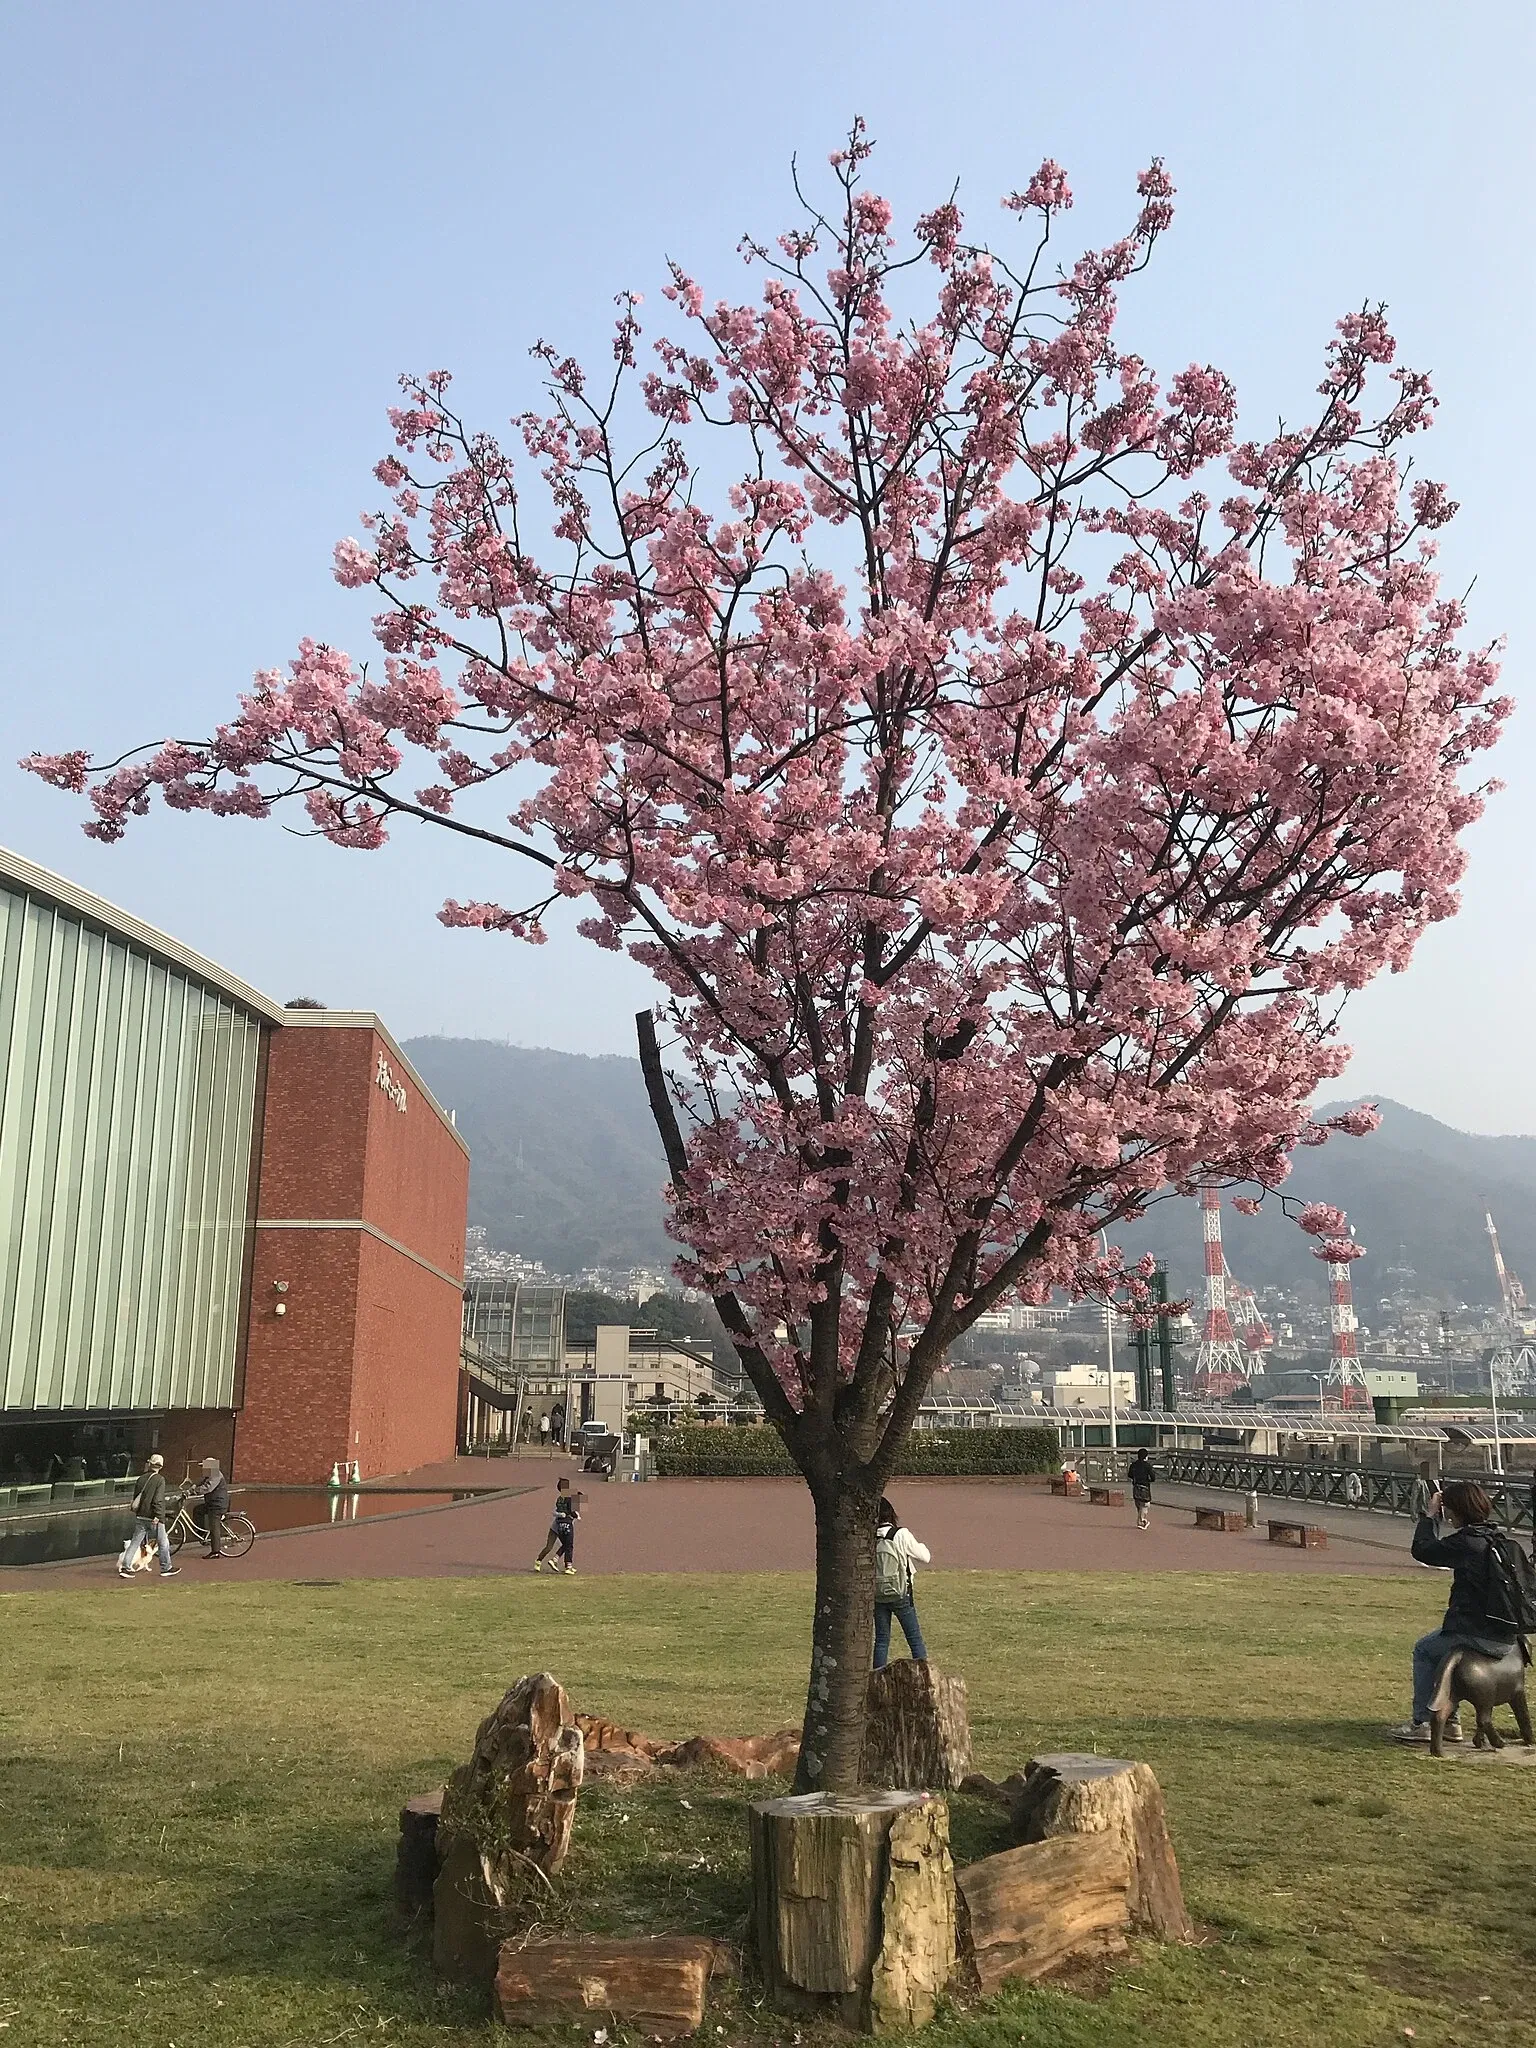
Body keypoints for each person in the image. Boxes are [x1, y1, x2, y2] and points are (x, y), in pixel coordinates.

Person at [1393, 1478, 1519, 1744]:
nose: (1446, 1514)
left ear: (1456, 1511)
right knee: (1442, 1646)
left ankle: (1423, 1722)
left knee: (1425, 1649)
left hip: (1480, 1634)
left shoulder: (1466, 1543)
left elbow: (1423, 1550)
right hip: (1506, 1633)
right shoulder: (1495, 1538)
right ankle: (1450, 1722)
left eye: (1448, 1509)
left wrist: (1430, 1516)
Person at [873, 1497, 931, 1669]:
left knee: (881, 1640)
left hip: (878, 1594)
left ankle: (876, 1677)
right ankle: (924, 1674)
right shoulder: (901, 1534)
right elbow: (925, 1557)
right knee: (914, 1638)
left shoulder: (870, 1536)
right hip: (901, 1592)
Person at [118, 1453, 178, 1579]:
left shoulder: (141, 1479)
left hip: (141, 1515)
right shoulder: (160, 1480)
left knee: (135, 1542)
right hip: (153, 1517)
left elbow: (136, 1497)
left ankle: (125, 1567)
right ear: (161, 1466)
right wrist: (159, 1516)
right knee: (163, 1542)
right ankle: (166, 1567)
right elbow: (158, 1500)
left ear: (150, 1464)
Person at [534, 1476, 579, 1572]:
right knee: (549, 1547)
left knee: (566, 1544)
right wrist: (565, 1514)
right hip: (556, 1528)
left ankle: (556, 1561)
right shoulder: (561, 1499)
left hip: (560, 1526)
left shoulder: (565, 1498)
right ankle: (539, 1561)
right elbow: (555, 1512)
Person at [192, 1456, 230, 1558]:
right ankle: (202, 1533)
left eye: (204, 1466)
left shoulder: (216, 1474)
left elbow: (208, 1487)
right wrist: (194, 1485)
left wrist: (194, 1491)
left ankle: (215, 1552)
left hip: (217, 1505)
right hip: (212, 1503)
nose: (203, 1469)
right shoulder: (210, 1474)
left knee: (214, 1527)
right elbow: (202, 1481)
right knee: (198, 1510)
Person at [1127, 1449, 1155, 1531]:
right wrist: (1148, 1480)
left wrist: (1135, 1478)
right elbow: (1153, 1477)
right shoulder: (1147, 1466)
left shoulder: (1134, 1465)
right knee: (1145, 1504)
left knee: (1138, 1504)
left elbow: (1130, 1475)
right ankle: (1142, 1521)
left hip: (1136, 1486)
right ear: (1146, 1457)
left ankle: (1141, 1520)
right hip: (1144, 1486)